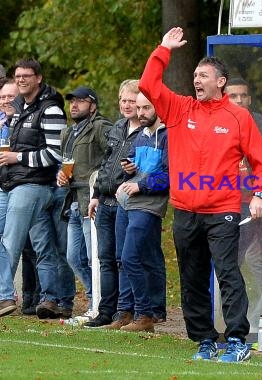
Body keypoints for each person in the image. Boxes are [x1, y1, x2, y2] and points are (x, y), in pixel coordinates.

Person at [139, 27, 262, 362]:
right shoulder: (178, 108)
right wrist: (163, 49)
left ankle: (238, 340)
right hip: (185, 209)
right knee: (192, 277)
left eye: (204, 76)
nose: (197, 80)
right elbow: (148, 86)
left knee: (228, 273)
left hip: (223, 209)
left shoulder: (238, 117)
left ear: (221, 81)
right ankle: (205, 340)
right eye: (195, 75)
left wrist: (259, 193)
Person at [0, 58, 67, 319]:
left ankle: (6, 296)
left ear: (38, 78)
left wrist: (18, 158)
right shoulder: (18, 111)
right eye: (17, 76)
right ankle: (6, 295)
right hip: (10, 182)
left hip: (34, 184)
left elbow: (54, 154)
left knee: (11, 243)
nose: (21, 80)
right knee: (12, 243)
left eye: (26, 76)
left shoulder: (51, 110)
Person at [83, 79, 143, 328]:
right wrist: (95, 194)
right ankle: (106, 310)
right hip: (105, 199)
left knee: (123, 258)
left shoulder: (148, 133)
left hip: (125, 202)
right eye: (123, 100)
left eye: (132, 100)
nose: (127, 105)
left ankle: (125, 310)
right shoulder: (117, 128)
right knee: (105, 258)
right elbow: (106, 165)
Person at [113, 91, 168, 333]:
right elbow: (135, 169)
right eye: (138, 108)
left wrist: (140, 185)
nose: (141, 113)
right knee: (122, 260)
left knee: (132, 258)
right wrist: (128, 170)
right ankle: (126, 312)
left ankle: (145, 314)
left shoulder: (168, 135)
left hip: (148, 205)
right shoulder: (141, 135)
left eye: (146, 108)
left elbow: (170, 176)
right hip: (128, 203)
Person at [225, 77, 262, 304]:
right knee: (234, 259)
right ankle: (233, 314)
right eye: (233, 96)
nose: (239, 100)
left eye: (243, 95)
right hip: (233, 202)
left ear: (249, 98)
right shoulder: (220, 122)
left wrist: (247, 145)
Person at [57, 86, 112, 317]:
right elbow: (66, 163)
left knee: (94, 258)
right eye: (72, 102)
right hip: (72, 202)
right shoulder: (68, 133)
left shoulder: (101, 127)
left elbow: (113, 158)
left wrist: (98, 185)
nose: (74, 105)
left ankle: (100, 304)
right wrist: (61, 175)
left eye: (80, 101)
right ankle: (94, 299)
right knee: (73, 257)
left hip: (92, 201)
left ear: (93, 105)